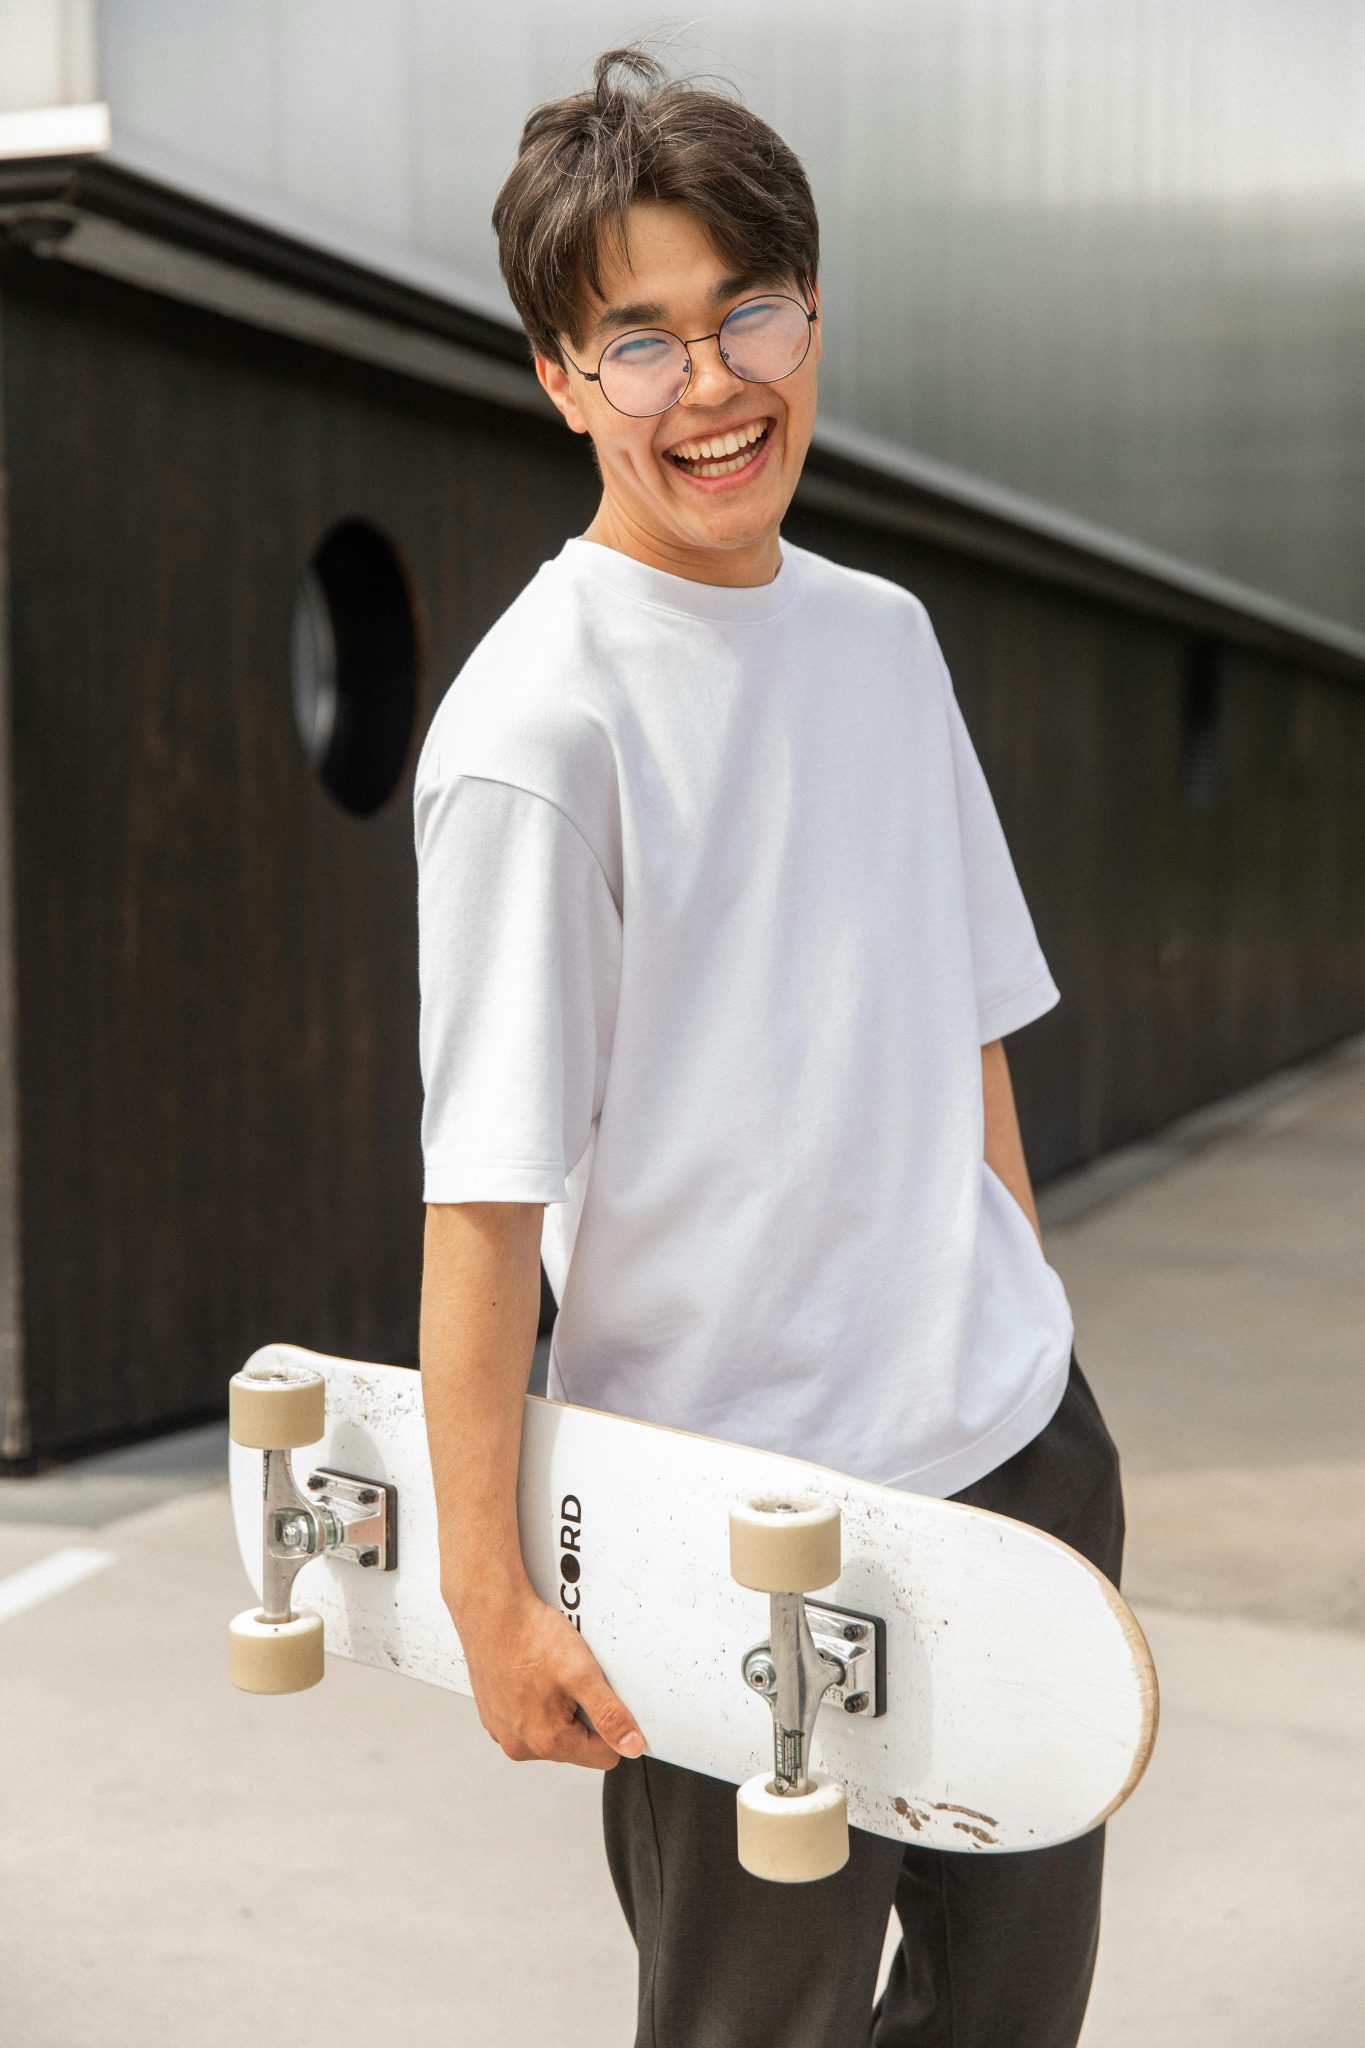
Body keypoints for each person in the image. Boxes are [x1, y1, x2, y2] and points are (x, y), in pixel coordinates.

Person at [415, 41, 1126, 2048]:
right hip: (729, 1543)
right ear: (558, 379)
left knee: (1008, 2024)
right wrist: (493, 1590)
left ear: (809, 316)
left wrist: (1026, 1333)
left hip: (1010, 1469)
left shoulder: (883, 643)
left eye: (746, 312)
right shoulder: (535, 731)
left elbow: (965, 1025)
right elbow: (483, 1195)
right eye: (635, 341)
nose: (709, 385)